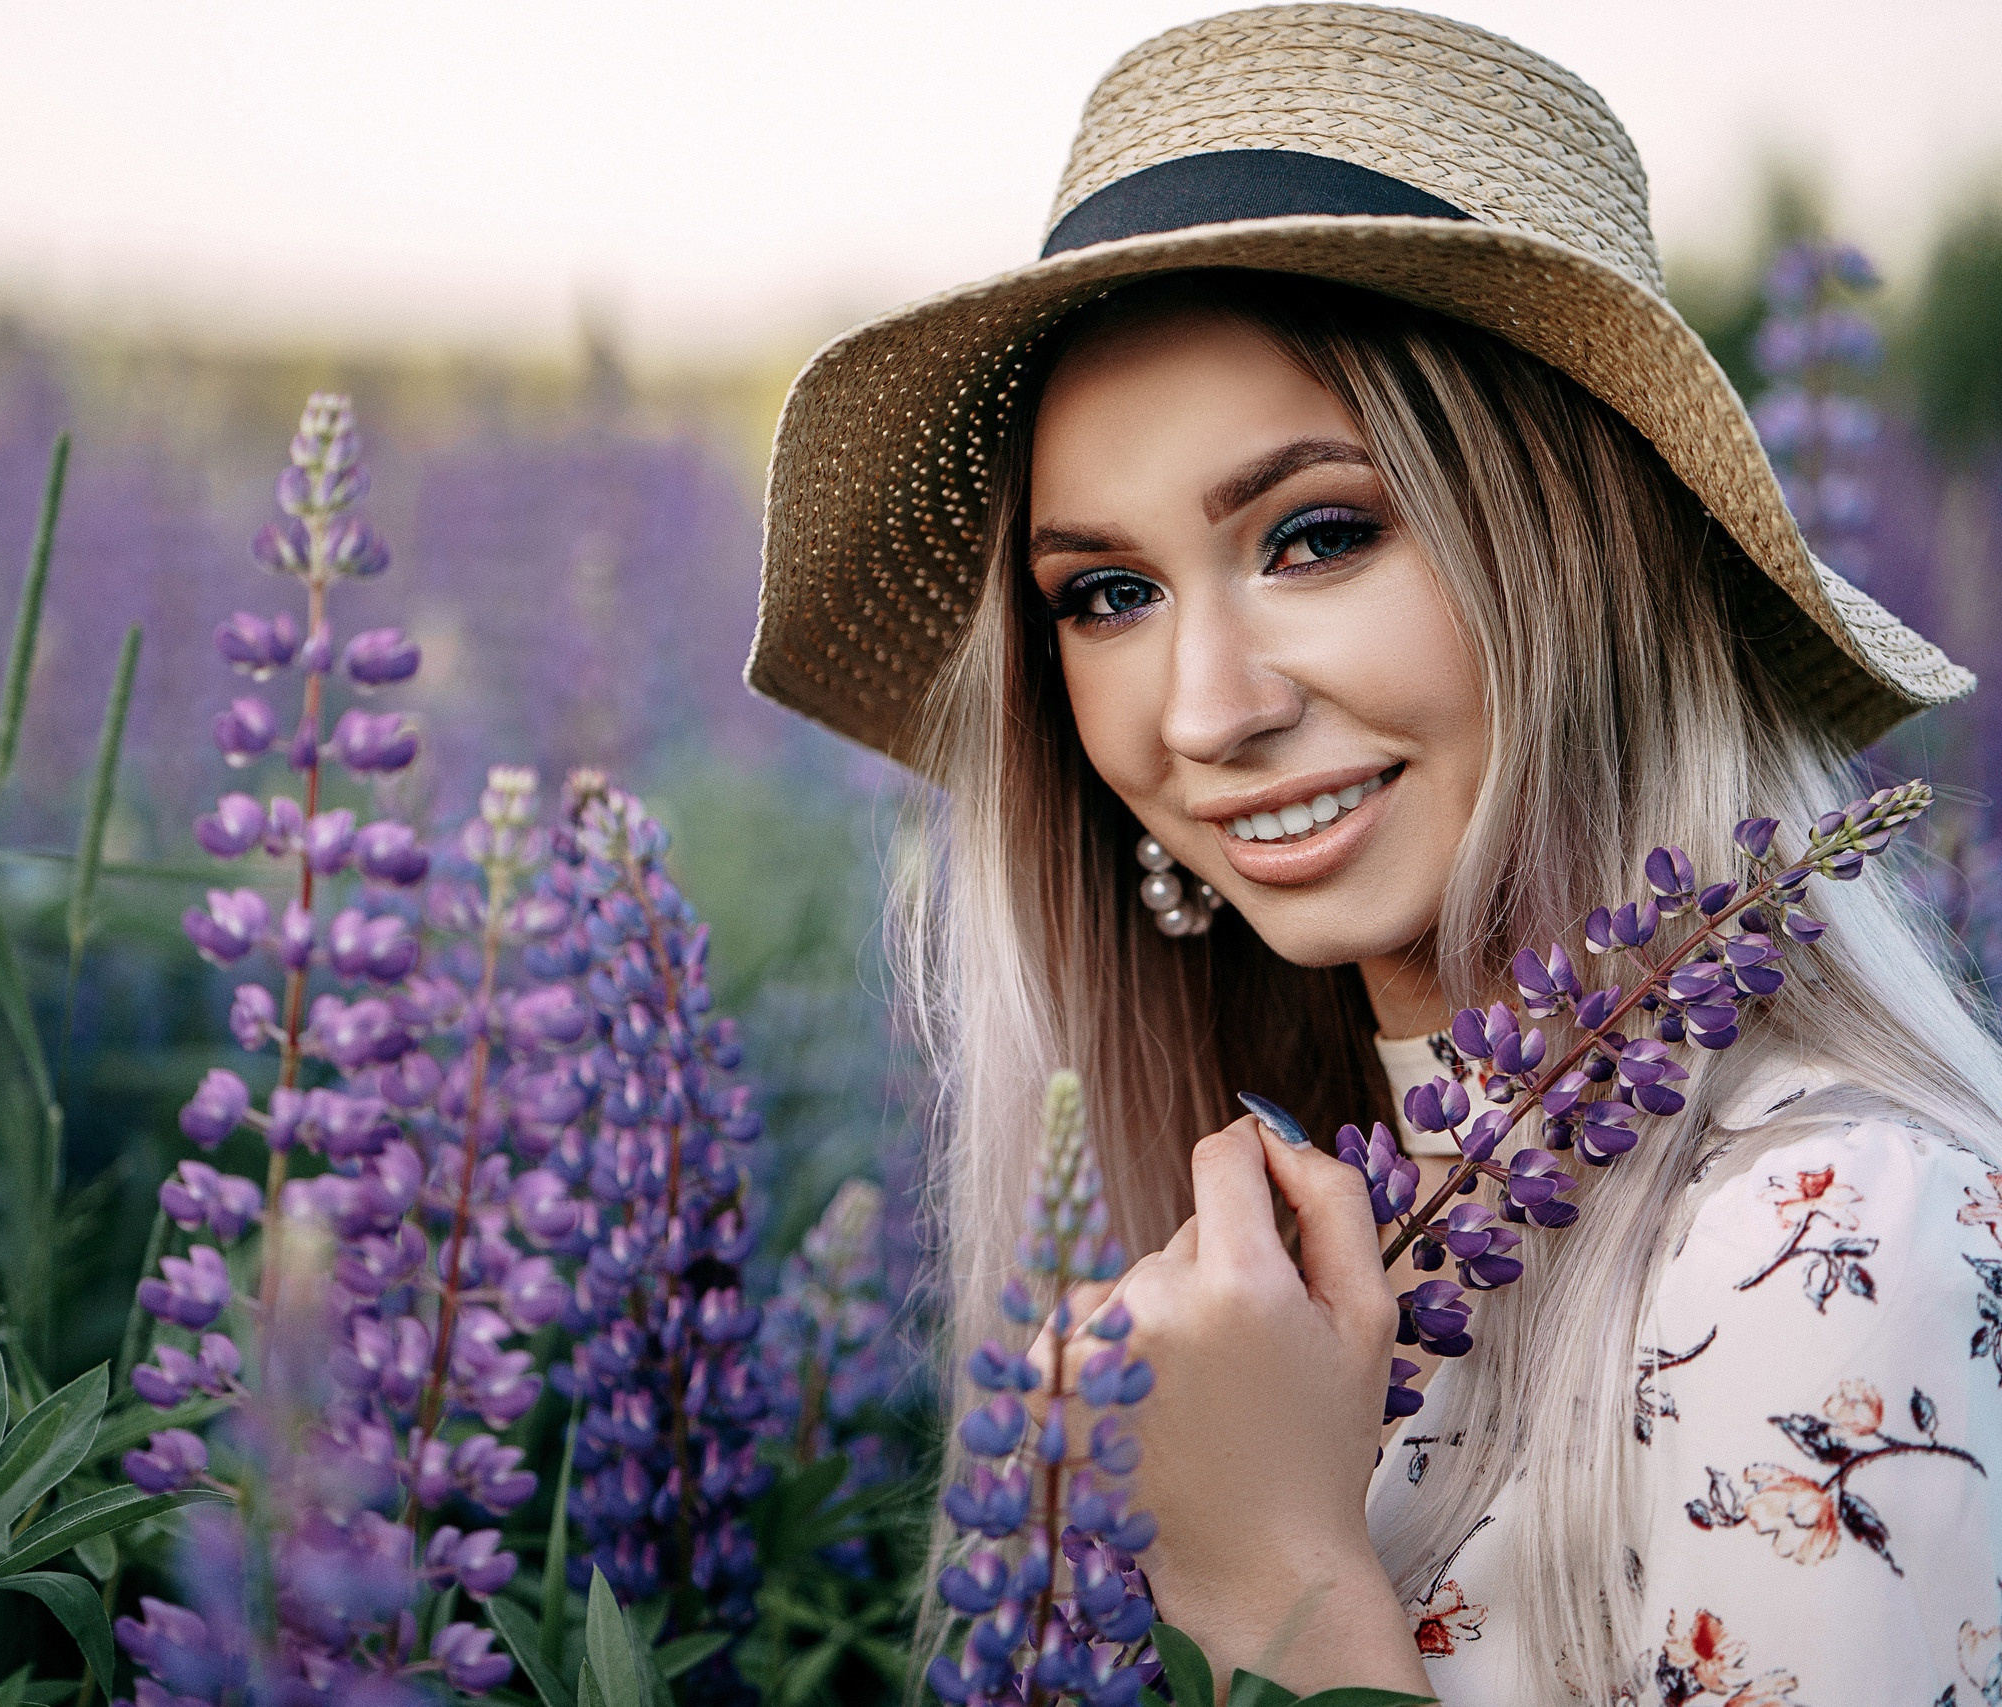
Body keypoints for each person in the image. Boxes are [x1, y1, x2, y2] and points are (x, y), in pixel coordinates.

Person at [746, 7, 2002, 1702]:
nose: (1205, 712)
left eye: (1317, 534)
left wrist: (1278, 1577)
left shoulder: (1833, 1230)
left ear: (1577, 550)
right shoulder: (1281, 1211)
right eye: (1105, 594)